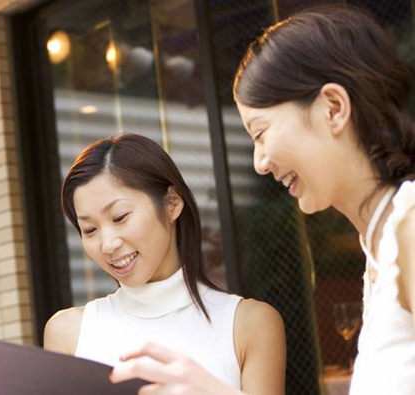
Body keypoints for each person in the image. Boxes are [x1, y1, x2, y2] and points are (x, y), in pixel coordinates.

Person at [110, 5, 415, 394]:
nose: (259, 163)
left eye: (261, 132)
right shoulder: (379, 249)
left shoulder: (410, 229)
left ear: (333, 108)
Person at [44, 133, 286, 394]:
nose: (107, 244)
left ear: (172, 203)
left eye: (120, 217)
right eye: (89, 230)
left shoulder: (249, 324)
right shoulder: (68, 332)